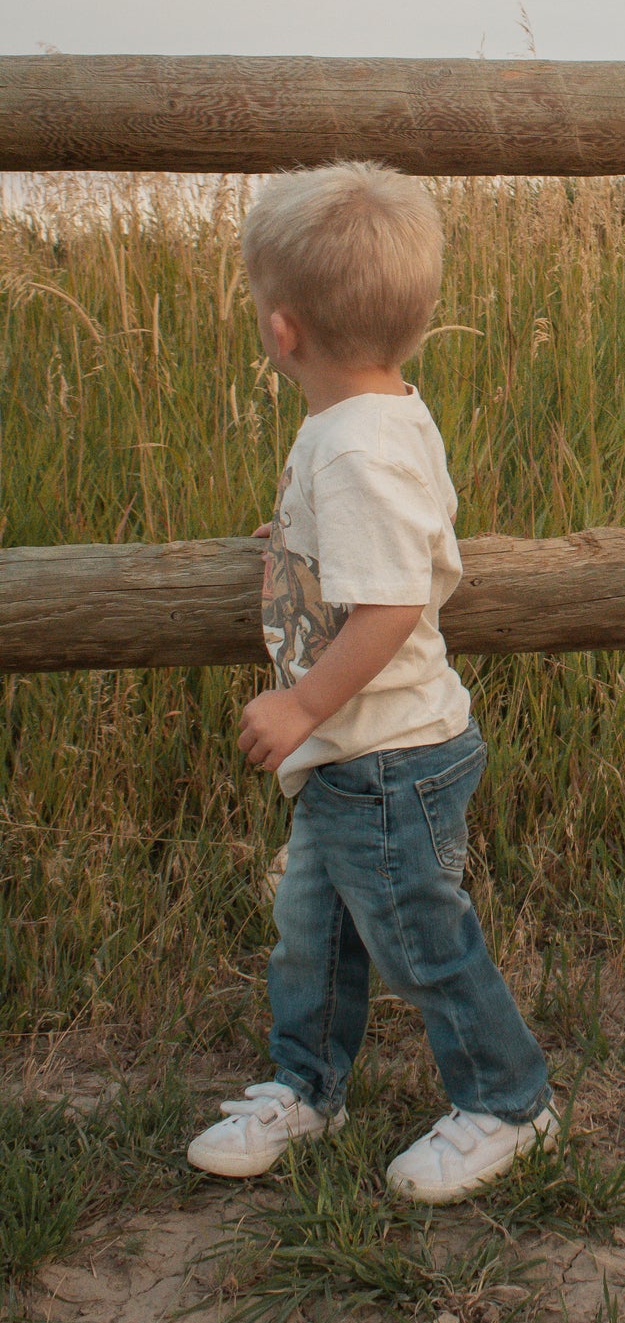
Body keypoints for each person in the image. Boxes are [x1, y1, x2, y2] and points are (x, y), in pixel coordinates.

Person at [186, 163, 555, 1202]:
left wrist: (302, 701)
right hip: (355, 755)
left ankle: (508, 1100)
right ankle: (307, 1085)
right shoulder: (375, 416)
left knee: (422, 940)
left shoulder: (354, 446)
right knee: (315, 937)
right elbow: (372, 546)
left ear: (281, 328)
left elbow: (390, 601)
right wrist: (302, 539)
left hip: (384, 753)